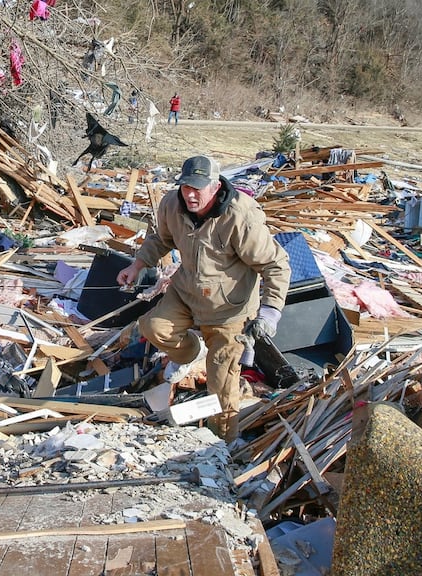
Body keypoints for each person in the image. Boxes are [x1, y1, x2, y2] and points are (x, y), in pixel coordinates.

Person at [116, 155, 291, 443]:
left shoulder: (239, 216)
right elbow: (161, 239)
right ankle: (191, 352)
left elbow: (275, 264)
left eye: (197, 188)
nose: (191, 194)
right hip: (186, 293)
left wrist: (271, 311)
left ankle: (221, 445)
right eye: (186, 187)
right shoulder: (172, 204)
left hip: (229, 310)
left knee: (221, 385)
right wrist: (136, 265)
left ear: (215, 185)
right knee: (153, 327)